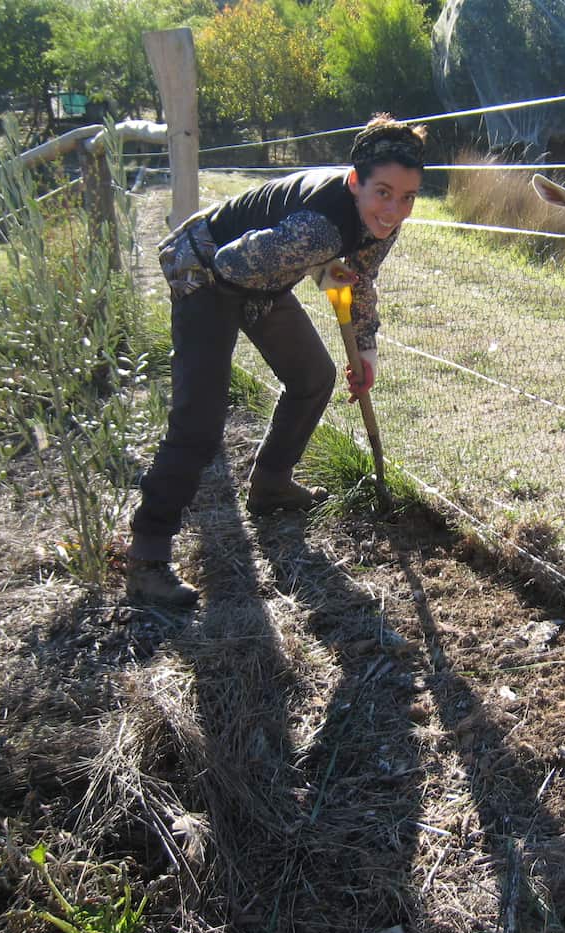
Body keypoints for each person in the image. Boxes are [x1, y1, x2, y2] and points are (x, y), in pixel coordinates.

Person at [126, 114, 427, 606]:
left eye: (408, 197)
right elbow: (231, 263)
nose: (394, 210)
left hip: (257, 278)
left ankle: (271, 485)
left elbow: (360, 279)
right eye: (384, 193)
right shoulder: (319, 230)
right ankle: (147, 555)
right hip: (204, 267)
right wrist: (318, 263)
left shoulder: (379, 223)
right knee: (200, 420)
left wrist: (365, 351)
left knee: (313, 376)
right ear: (355, 181)